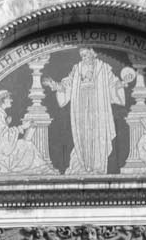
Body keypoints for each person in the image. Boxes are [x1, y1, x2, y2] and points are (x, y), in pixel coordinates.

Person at [49, 48, 129, 176]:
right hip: (81, 108)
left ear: (93, 54)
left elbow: (113, 83)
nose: (84, 58)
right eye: (82, 56)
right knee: (82, 135)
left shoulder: (103, 68)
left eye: (86, 55)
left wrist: (120, 84)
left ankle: (97, 167)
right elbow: (68, 84)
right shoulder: (77, 68)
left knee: (98, 135)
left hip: (98, 108)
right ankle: (83, 165)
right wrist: (57, 86)